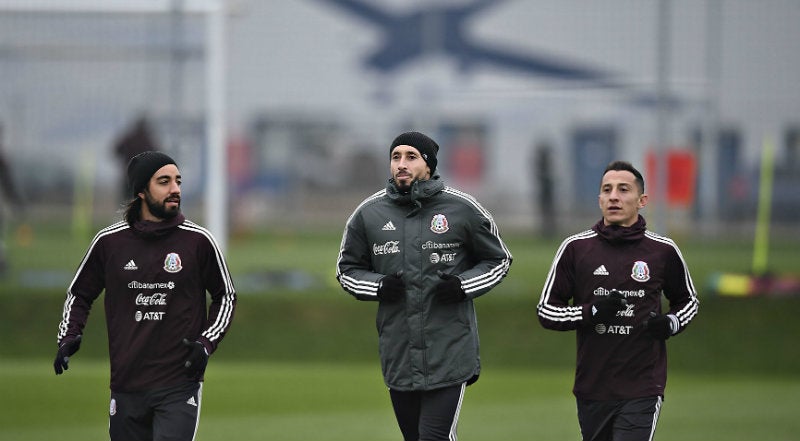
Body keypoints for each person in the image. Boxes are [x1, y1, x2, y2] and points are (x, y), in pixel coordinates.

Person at [336, 131, 513, 441]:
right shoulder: (368, 214)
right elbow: (347, 270)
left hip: (450, 351)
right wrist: (378, 286)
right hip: (399, 353)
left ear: (429, 164)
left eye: (411, 157)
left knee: (434, 437)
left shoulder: (463, 209)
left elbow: (499, 260)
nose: (401, 164)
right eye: (396, 157)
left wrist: (462, 285)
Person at [54, 151, 237, 441]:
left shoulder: (199, 241)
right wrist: (69, 335)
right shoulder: (109, 242)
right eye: (164, 181)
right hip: (126, 385)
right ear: (141, 191)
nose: (175, 189)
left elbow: (226, 296)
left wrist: (205, 343)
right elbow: (79, 294)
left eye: (178, 181)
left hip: (179, 385)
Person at [536, 160, 699, 441]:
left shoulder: (663, 251)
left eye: (623, 189)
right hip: (592, 388)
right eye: (607, 190)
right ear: (599, 199)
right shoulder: (575, 248)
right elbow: (547, 312)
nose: (614, 196)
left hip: (643, 387)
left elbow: (689, 301)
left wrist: (671, 323)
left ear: (642, 200)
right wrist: (593, 311)